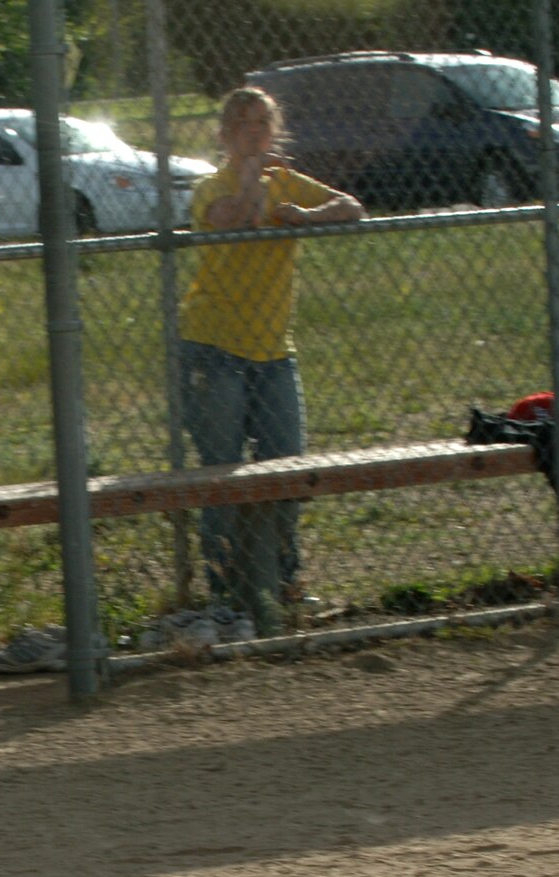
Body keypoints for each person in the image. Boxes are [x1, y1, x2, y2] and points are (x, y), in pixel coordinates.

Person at [179, 86, 362, 635]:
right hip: (214, 350)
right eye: (241, 125)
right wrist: (256, 175)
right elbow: (238, 217)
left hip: (274, 351)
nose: (253, 133)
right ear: (223, 135)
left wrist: (307, 214)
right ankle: (227, 595)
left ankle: (282, 583)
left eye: (262, 124)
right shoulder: (210, 187)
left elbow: (351, 208)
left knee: (287, 466)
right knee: (224, 477)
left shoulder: (287, 183)